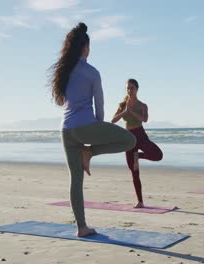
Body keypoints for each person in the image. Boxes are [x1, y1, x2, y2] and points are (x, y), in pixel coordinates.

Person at [50, 22, 136, 237]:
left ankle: (81, 227)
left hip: (65, 130)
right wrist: (95, 135)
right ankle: (89, 153)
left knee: (75, 180)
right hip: (86, 126)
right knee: (130, 141)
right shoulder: (91, 72)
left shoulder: (63, 71)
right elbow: (100, 107)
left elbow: (61, 102)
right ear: (85, 47)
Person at [111, 79, 163, 208]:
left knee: (158, 155)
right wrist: (124, 111)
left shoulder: (142, 105)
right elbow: (113, 120)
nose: (129, 90)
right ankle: (140, 201)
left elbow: (144, 119)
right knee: (134, 172)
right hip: (128, 139)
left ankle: (138, 156)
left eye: (132, 88)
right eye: (128, 88)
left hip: (140, 136)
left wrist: (132, 112)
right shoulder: (122, 105)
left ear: (137, 89)